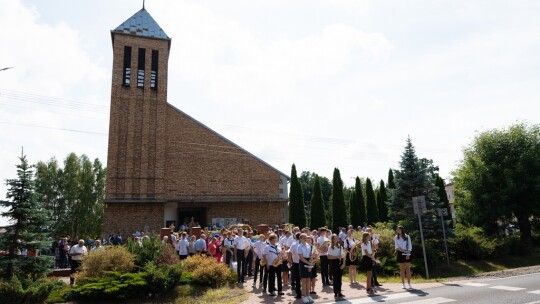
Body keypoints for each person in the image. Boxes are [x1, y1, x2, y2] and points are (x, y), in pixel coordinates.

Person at [298, 233, 314, 304]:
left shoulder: (309, 246)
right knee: (304, 280)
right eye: (304, 238)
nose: (305, 239)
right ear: (301, 239)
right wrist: (308, 263)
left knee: (308, 280)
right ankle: (304, 296)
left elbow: (310, 256)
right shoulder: (299, 246)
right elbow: (301, 257)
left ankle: (308, 295)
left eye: (306, 238)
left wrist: (310, 265)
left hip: (308, 262)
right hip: (303, 262)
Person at [395, 225, 413, 289]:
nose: (398, 231)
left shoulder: (407, 236)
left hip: (407, 253)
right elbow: (397, 247)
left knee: (408, 269)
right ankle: (403, 283)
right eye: (397, 229)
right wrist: (404, 251)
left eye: (399, 229)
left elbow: (410, 246)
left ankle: (409, 283)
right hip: (400, 253)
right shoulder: (396, 237)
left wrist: (408, 254)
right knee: (402, 269)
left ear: (402, 230)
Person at [328, 234, 345, 298]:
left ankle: (339, 292)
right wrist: (337, 257)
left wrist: (343, 264)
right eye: (334, 238)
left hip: (339, 263)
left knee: (339, 278)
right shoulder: (330, 247)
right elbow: (329, 257)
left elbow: (343, 256)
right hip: (333, 263)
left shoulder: (340, 247)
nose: (335, 239)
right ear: (332, 239)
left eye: (336, 238)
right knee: (335, 278)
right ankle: (335, 292)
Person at [288, 232, 302, 299]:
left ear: (295, 237)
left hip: (296, 263)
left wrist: (290, 260)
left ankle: (299, 293)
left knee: (297, 278)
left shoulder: (294, 244)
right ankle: (304, 292)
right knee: (302, 278)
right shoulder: (303, 244)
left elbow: (289, 253)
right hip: (301, 263)